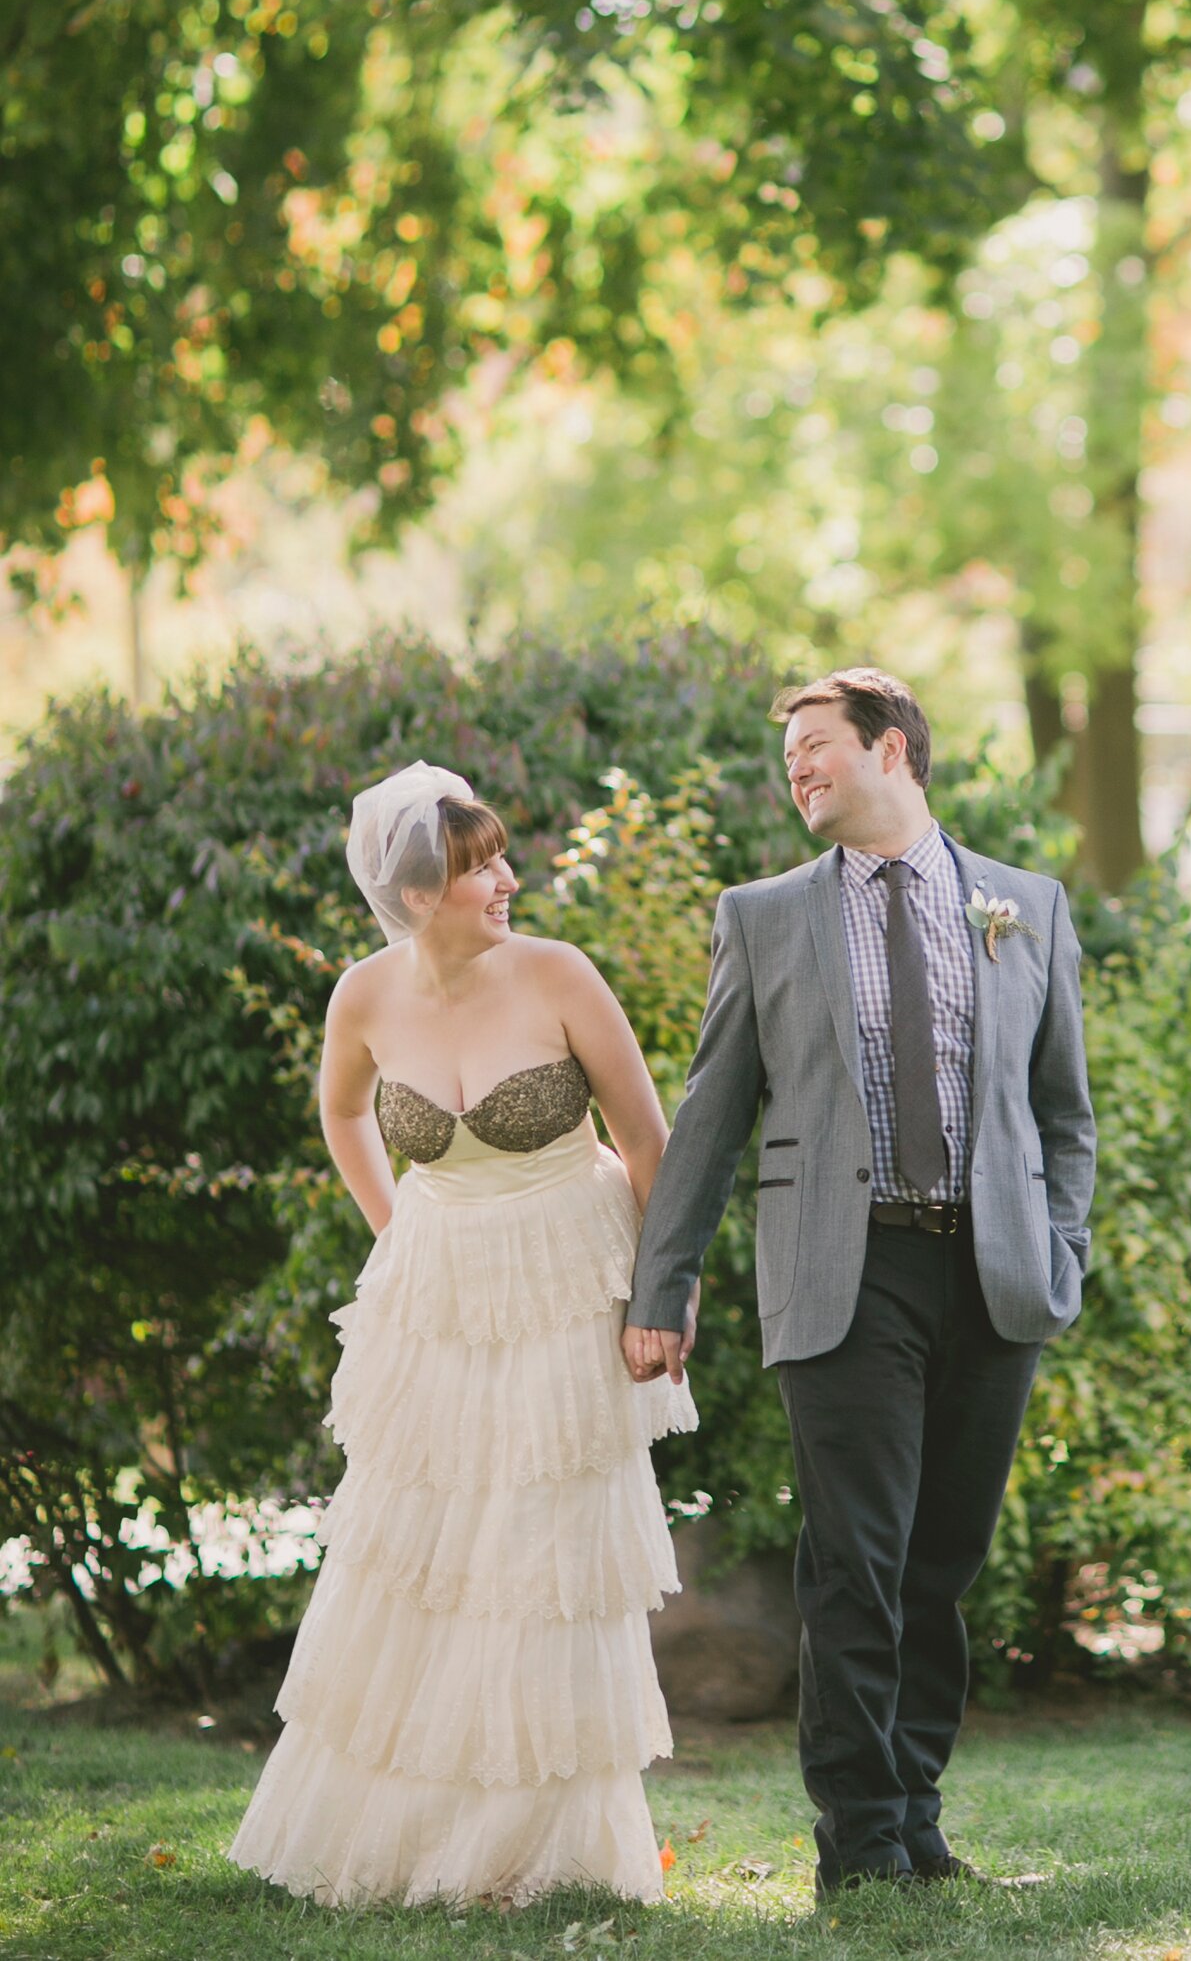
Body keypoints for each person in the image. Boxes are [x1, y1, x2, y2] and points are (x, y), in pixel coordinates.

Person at [622, 667, 1095, 1901]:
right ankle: (862, 1842)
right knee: (858, 1559)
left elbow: (1064, 1113)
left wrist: (1061, 1249)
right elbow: (711, 1112)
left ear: (892, 751)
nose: (799, 772)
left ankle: (921, 1825)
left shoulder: (1025, 904)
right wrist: (659, 1284)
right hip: (846, 1270)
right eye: (790, 758)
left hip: (992, 1275)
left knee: (944, 1560)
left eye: (817, 747)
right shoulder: (767, 916)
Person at [229, 761, 698, 1908]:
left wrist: (663, 1297)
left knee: (537, 1554)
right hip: (439, 1292)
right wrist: (396, 1228)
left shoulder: (557, 973)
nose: (506, 878)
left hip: (566, 1281)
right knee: (431, 1555)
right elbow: (344, 1110)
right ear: (419, 889)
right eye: (480, 863)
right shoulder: (364, 996)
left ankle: (532, 1845)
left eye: (499, 856)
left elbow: (650, 1143)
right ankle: (407, 1836)